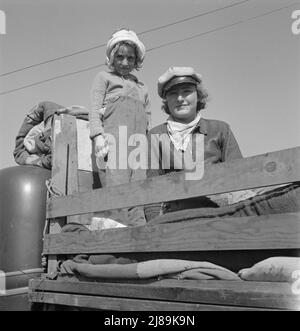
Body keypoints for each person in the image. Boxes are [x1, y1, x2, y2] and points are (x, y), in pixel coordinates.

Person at [145, 66, 300, 222]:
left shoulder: (220, 129)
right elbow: (150, 189)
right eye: (173, 93)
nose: (180, 98)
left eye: (186, 91)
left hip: (219, 211)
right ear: (166, 101)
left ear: (198, 96)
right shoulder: (155, 135)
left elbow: (239, 176)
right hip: (176, 214)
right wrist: (153, 228)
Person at [88, 29, 151, 225]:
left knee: (138, 184)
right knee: (116, 182)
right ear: (112, 57)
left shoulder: (142, 88)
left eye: (130, 58)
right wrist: (98, 135)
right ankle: (115, 229)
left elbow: (147, 118)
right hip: (113, 141)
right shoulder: (103, 78)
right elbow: (94, 109)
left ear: (136, 60)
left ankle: (138, 227)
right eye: (120, 57)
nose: (125, 62)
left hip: (138, 142)